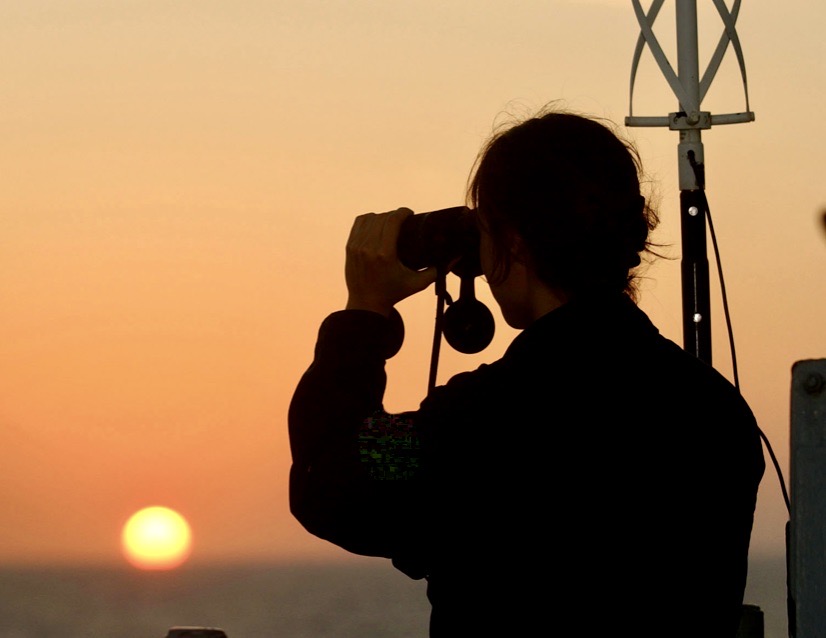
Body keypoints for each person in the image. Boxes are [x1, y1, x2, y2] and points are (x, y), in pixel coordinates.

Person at [288, 106, 765, 637]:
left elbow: (330, 477)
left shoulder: (479, 426)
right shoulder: (715, 411)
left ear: (512, 241)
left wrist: (364, 311)